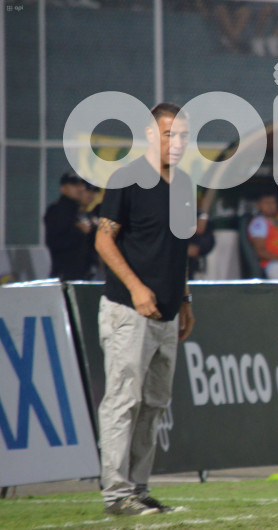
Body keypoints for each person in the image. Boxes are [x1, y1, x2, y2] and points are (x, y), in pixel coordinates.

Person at [94, 102, 194, 517]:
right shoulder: (127, 178)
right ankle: (117, 494)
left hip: (168, 314)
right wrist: (136, 289)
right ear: (151, 135)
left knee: (153, 405)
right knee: (122, 401)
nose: (177, 143)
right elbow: (103, 241)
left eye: (184, 136)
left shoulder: (185, 184)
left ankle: (138, 488)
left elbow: (178, 249)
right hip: (129, 311)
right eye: (170, 134)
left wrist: (185, 299)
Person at [44, 170, 93, 280]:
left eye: (81, 185)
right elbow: (54, 242)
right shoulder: (57, 210)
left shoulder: (80, 211)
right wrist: (78, 231)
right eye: (75, 185)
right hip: (65, 274)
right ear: (63, 188)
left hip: (85, 273)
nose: (80, 189)